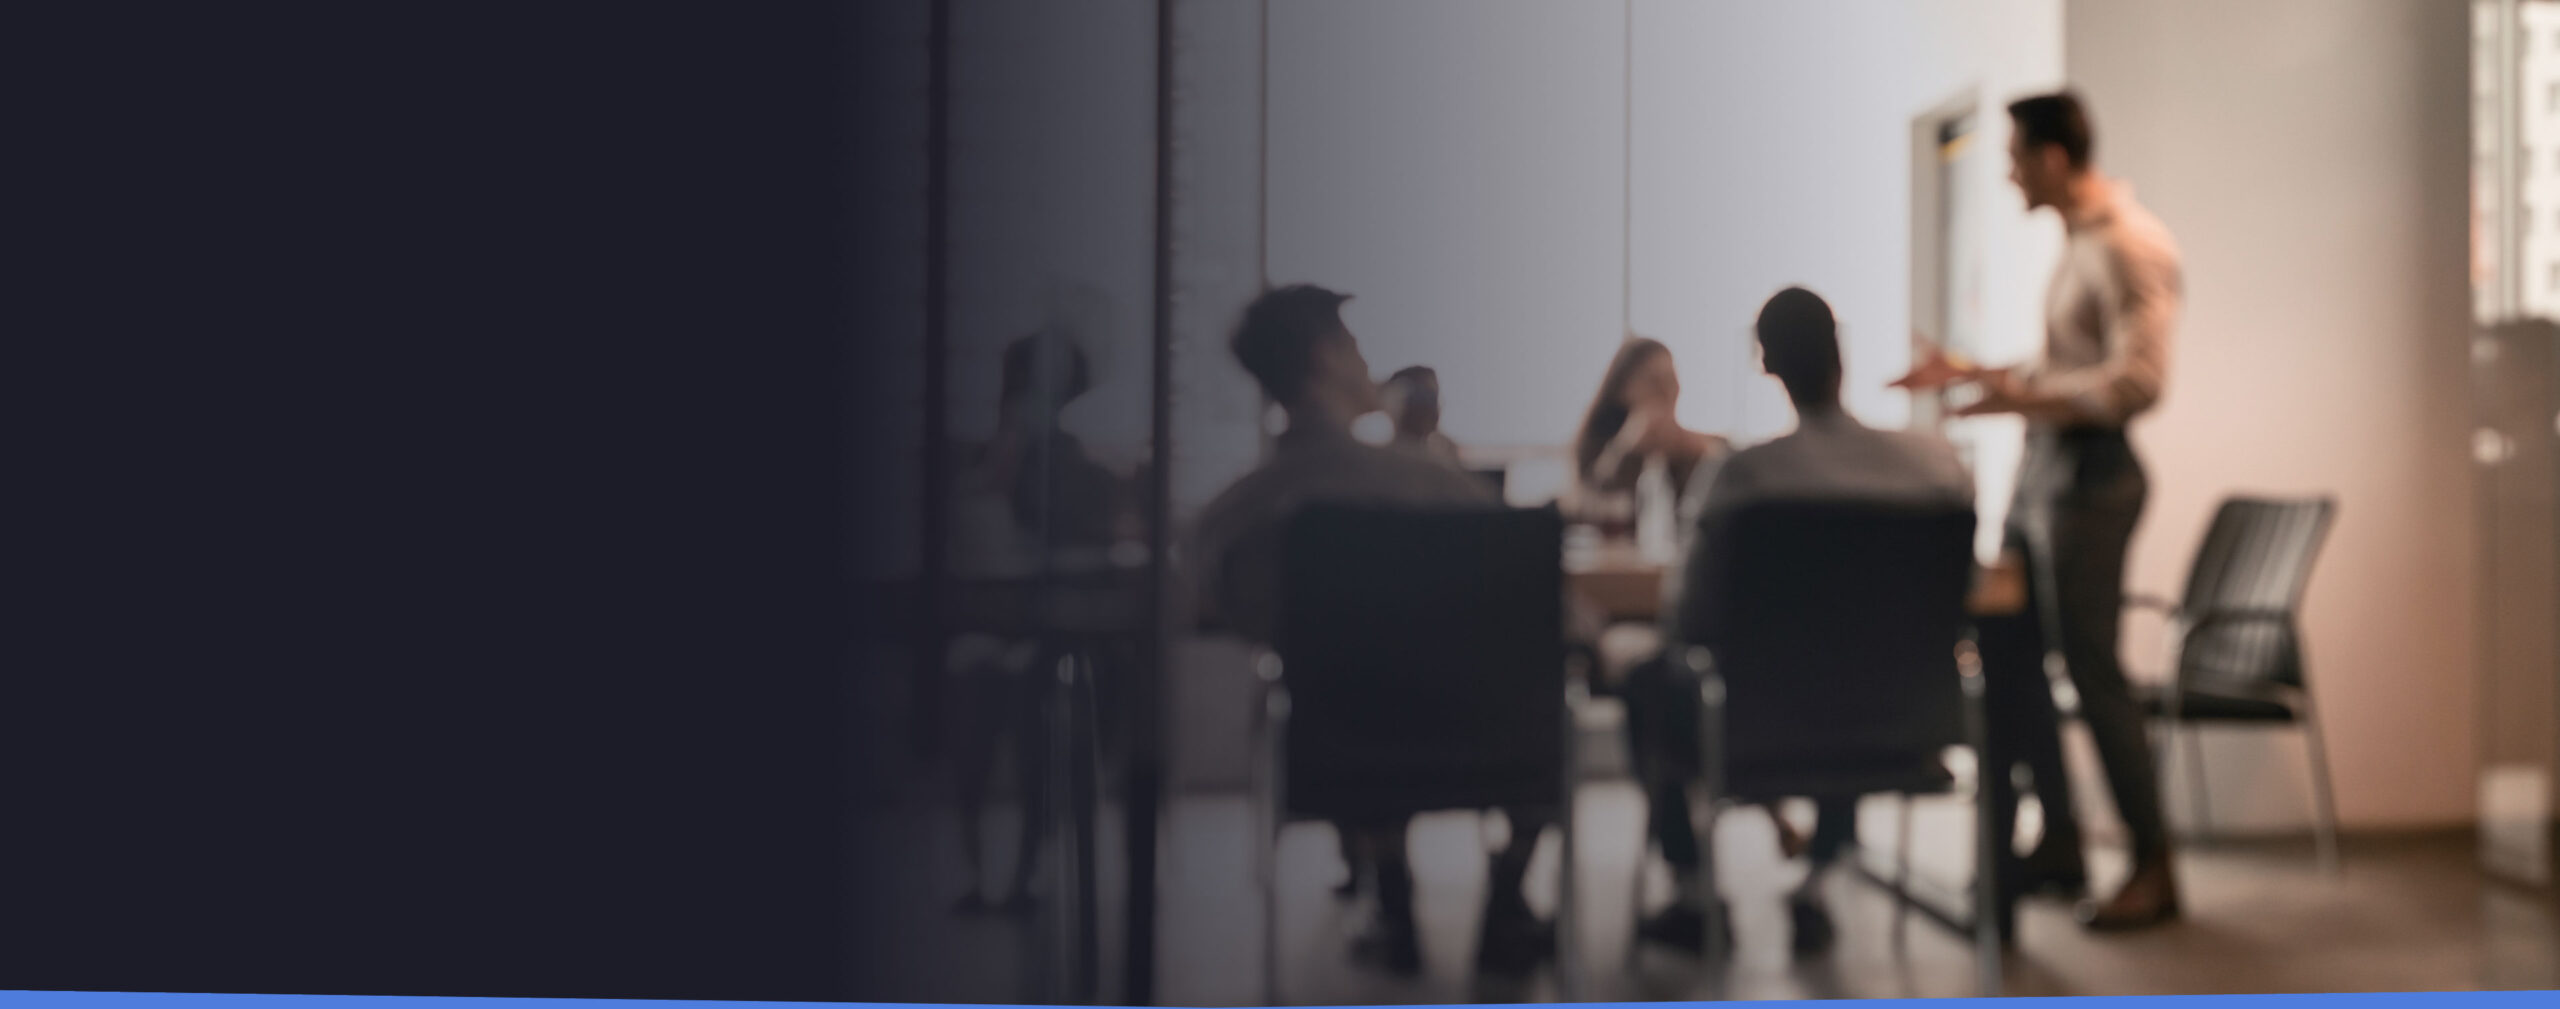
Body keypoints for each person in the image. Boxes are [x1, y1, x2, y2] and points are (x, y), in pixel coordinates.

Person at [1188, 284, 1555, 975]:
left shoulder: (1236, 515)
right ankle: (1505, 897)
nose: (1367, 364)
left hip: (1337, 749)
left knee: (1349, 684)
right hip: (1487, 739)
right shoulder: (1430, 481)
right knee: (1552, 678)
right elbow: (1548, 597)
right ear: (1326, 356)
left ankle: (1392, 894)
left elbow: (1235, 610)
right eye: (1355, 348)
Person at [1893, 90, 2184, 931]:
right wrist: (1979, 378)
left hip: (2091, 482)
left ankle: (2154, 863)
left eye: (2016, 155)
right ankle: (2056, 837)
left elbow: (2138, 383)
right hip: (2046, 477)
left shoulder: (2132, 247)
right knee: (2008, 650)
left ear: (2054, 157)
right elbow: (2064, 364)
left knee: (2093, 673)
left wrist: (2018, 395)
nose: (2009, 171)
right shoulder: (2080, 245)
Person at [1621, 287, 1975, 957]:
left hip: (1756, 728)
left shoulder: (1743, 478)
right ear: (1841, 358)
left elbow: (1688, 619)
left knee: (1649, 681)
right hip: (1904, 727)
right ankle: (1817, 880)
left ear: (1767, 363)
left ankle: (1695, 893)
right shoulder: (1935, 470)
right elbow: (1965, 598)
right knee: (1851, 671)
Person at [948, 328, 1127, 915]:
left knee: (1039, 702)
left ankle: (1027, 871)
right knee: (976, 685)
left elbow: (1101, 552)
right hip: (986, 632)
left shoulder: (1078, 466)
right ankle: (980, 871)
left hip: (1051, 637)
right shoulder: (983, 461)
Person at [1574, 337, 1730, 517]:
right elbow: (1587, 504)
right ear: (1623, 388)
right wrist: (1627, 452)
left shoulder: (1702, 445)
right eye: (1654, 381)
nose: (1667, 390)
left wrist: (1704, 458)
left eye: (1671, 379)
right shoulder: (1597, 445)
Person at [1381, 365, 1462, 464]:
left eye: (1433, 397)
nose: (1431, 406)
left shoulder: (1446, 457)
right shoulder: (1378, 462)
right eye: (1422, 394)